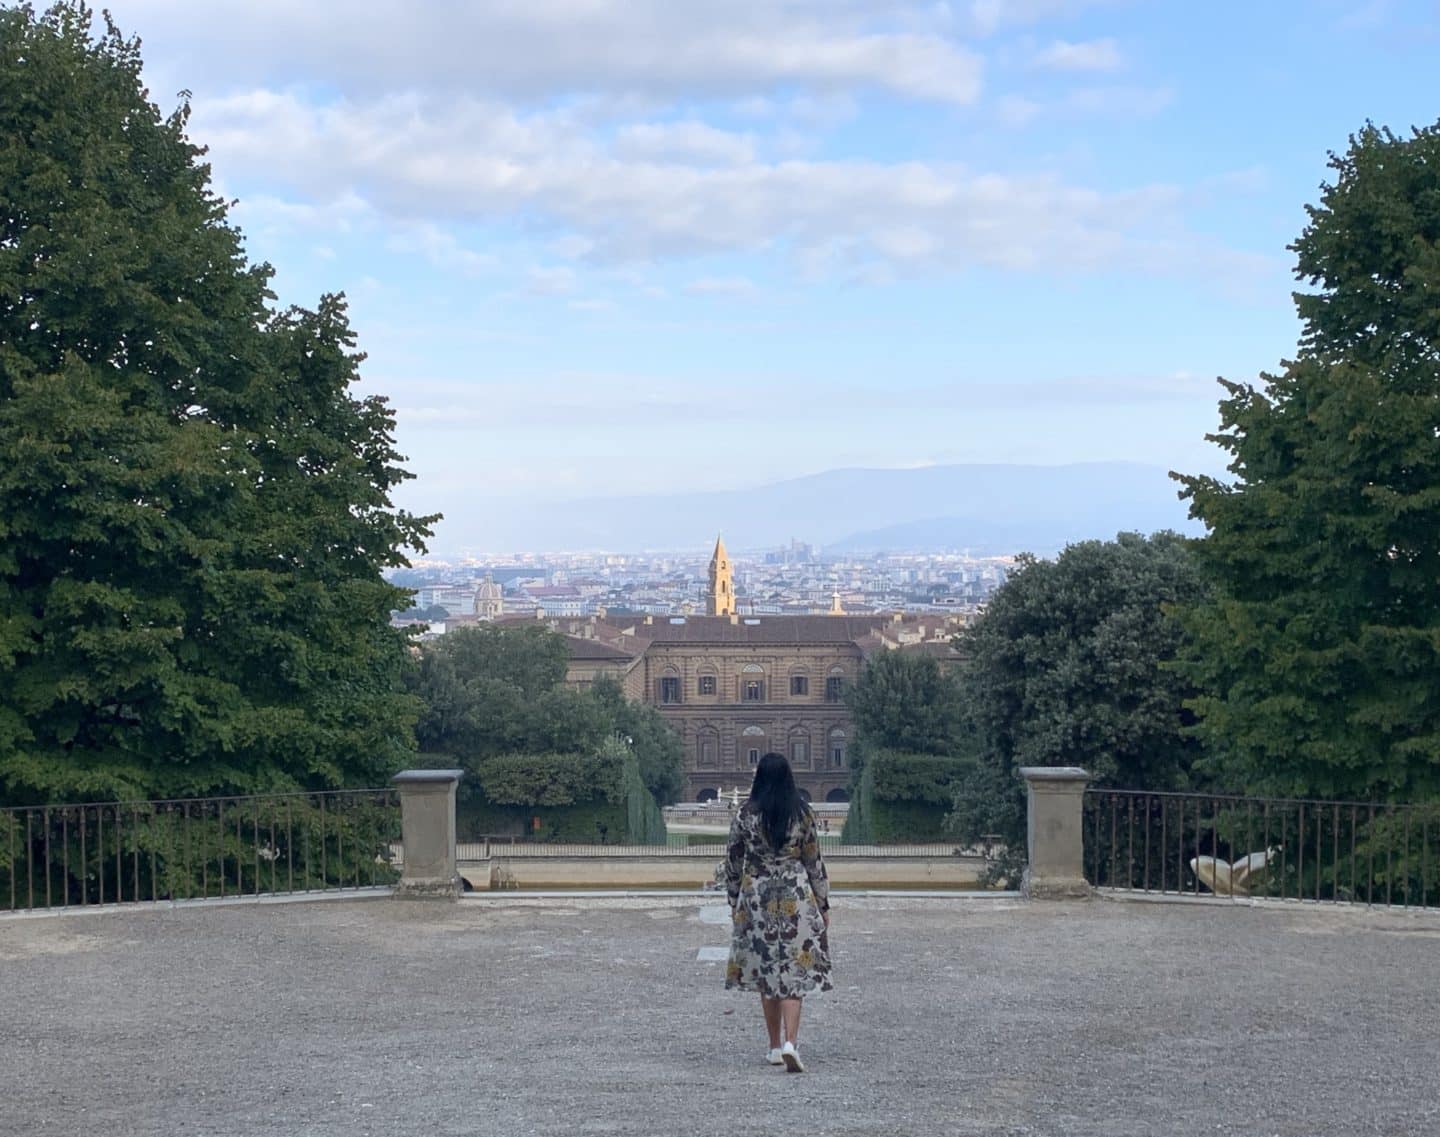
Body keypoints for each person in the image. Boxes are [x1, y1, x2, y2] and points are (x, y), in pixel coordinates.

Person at [724, 752, 832, 1073]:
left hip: (757, 896)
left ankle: (773, 1047)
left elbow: (732, 861)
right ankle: (791, 1043)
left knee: (767, 974)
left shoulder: (746, 815)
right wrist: (823, 904)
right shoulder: (802, 814)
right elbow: (814, 862)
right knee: (794, 973)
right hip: (795, 894)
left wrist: (734, 901)